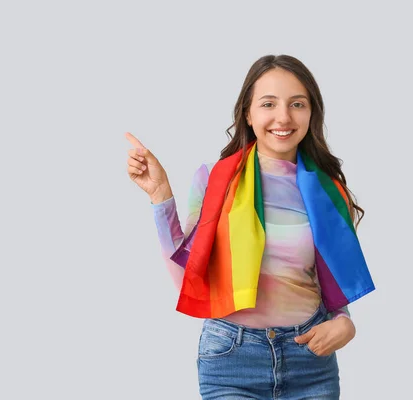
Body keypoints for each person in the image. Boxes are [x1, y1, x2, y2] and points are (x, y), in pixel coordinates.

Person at [124, 54, 375, 399]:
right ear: (248, 112)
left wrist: (344, 323)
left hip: (310, 362)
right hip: (231, 361)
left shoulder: (330, 192)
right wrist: (160, 194)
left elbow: (330, 282)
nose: (283, 117)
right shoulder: (216, 180)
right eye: (268, 103)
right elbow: (187, 277)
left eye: (297, 104)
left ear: (311, 112)